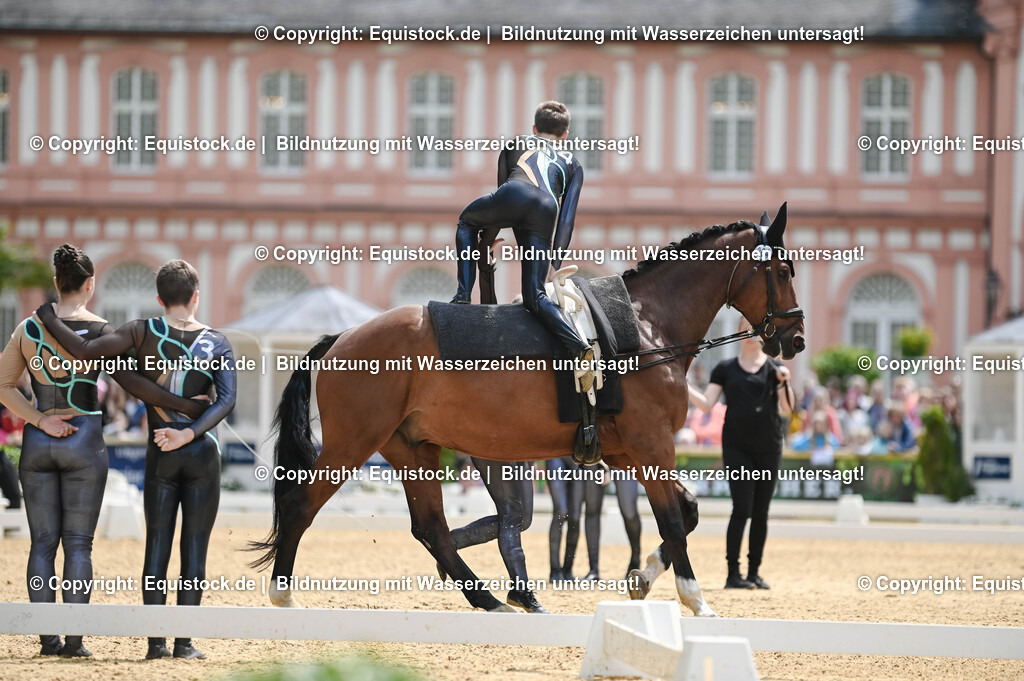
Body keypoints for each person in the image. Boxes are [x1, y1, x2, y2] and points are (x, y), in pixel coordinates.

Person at [0, 245, 204, 657]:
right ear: (90, 285)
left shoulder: (27, 327)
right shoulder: (103, 331)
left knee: (42, 543)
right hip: (85, 438)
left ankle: (47, 640)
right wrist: (185, 406)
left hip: (38, 440)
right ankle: (74, 641)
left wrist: (39, 420)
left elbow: (4, 387)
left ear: (57, 282)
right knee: (78, 544)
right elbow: (135, 384)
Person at [37, 258, 236, 660]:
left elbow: (86, 351)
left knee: (156, 546)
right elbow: (227, 400)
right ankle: (184, 644)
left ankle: (155, 643)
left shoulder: (139, 331)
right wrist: (189, 428)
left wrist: (48, 317)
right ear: (196, 297)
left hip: (160, 450)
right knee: (194, 548)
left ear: (159, 299)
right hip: (201, 452)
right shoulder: (218, 342)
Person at [450, 100, 594, 390]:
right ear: (565, 134)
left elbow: (501, 197)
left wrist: (485, 244)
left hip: (516, 194)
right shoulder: (573, 163)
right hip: (545, 212)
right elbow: (567, 219)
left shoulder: (515, 143)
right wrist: (554, 264)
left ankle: (463, 295)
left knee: (466, 222)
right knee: (535, 297)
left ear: (534, 128)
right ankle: (580, 347)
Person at [687, 319, 794, 590]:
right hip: (737, 448)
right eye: (745, 329)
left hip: (769, 447)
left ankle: (754, 572)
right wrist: (681, 384)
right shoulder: (725, 368)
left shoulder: (775, 368)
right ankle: (733, 573)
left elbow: (787, 409)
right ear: (737, 333)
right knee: (741, 508)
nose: (750, 334)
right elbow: (707, 404)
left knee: (761, 511)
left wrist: (785, 382)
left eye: (756, 329)